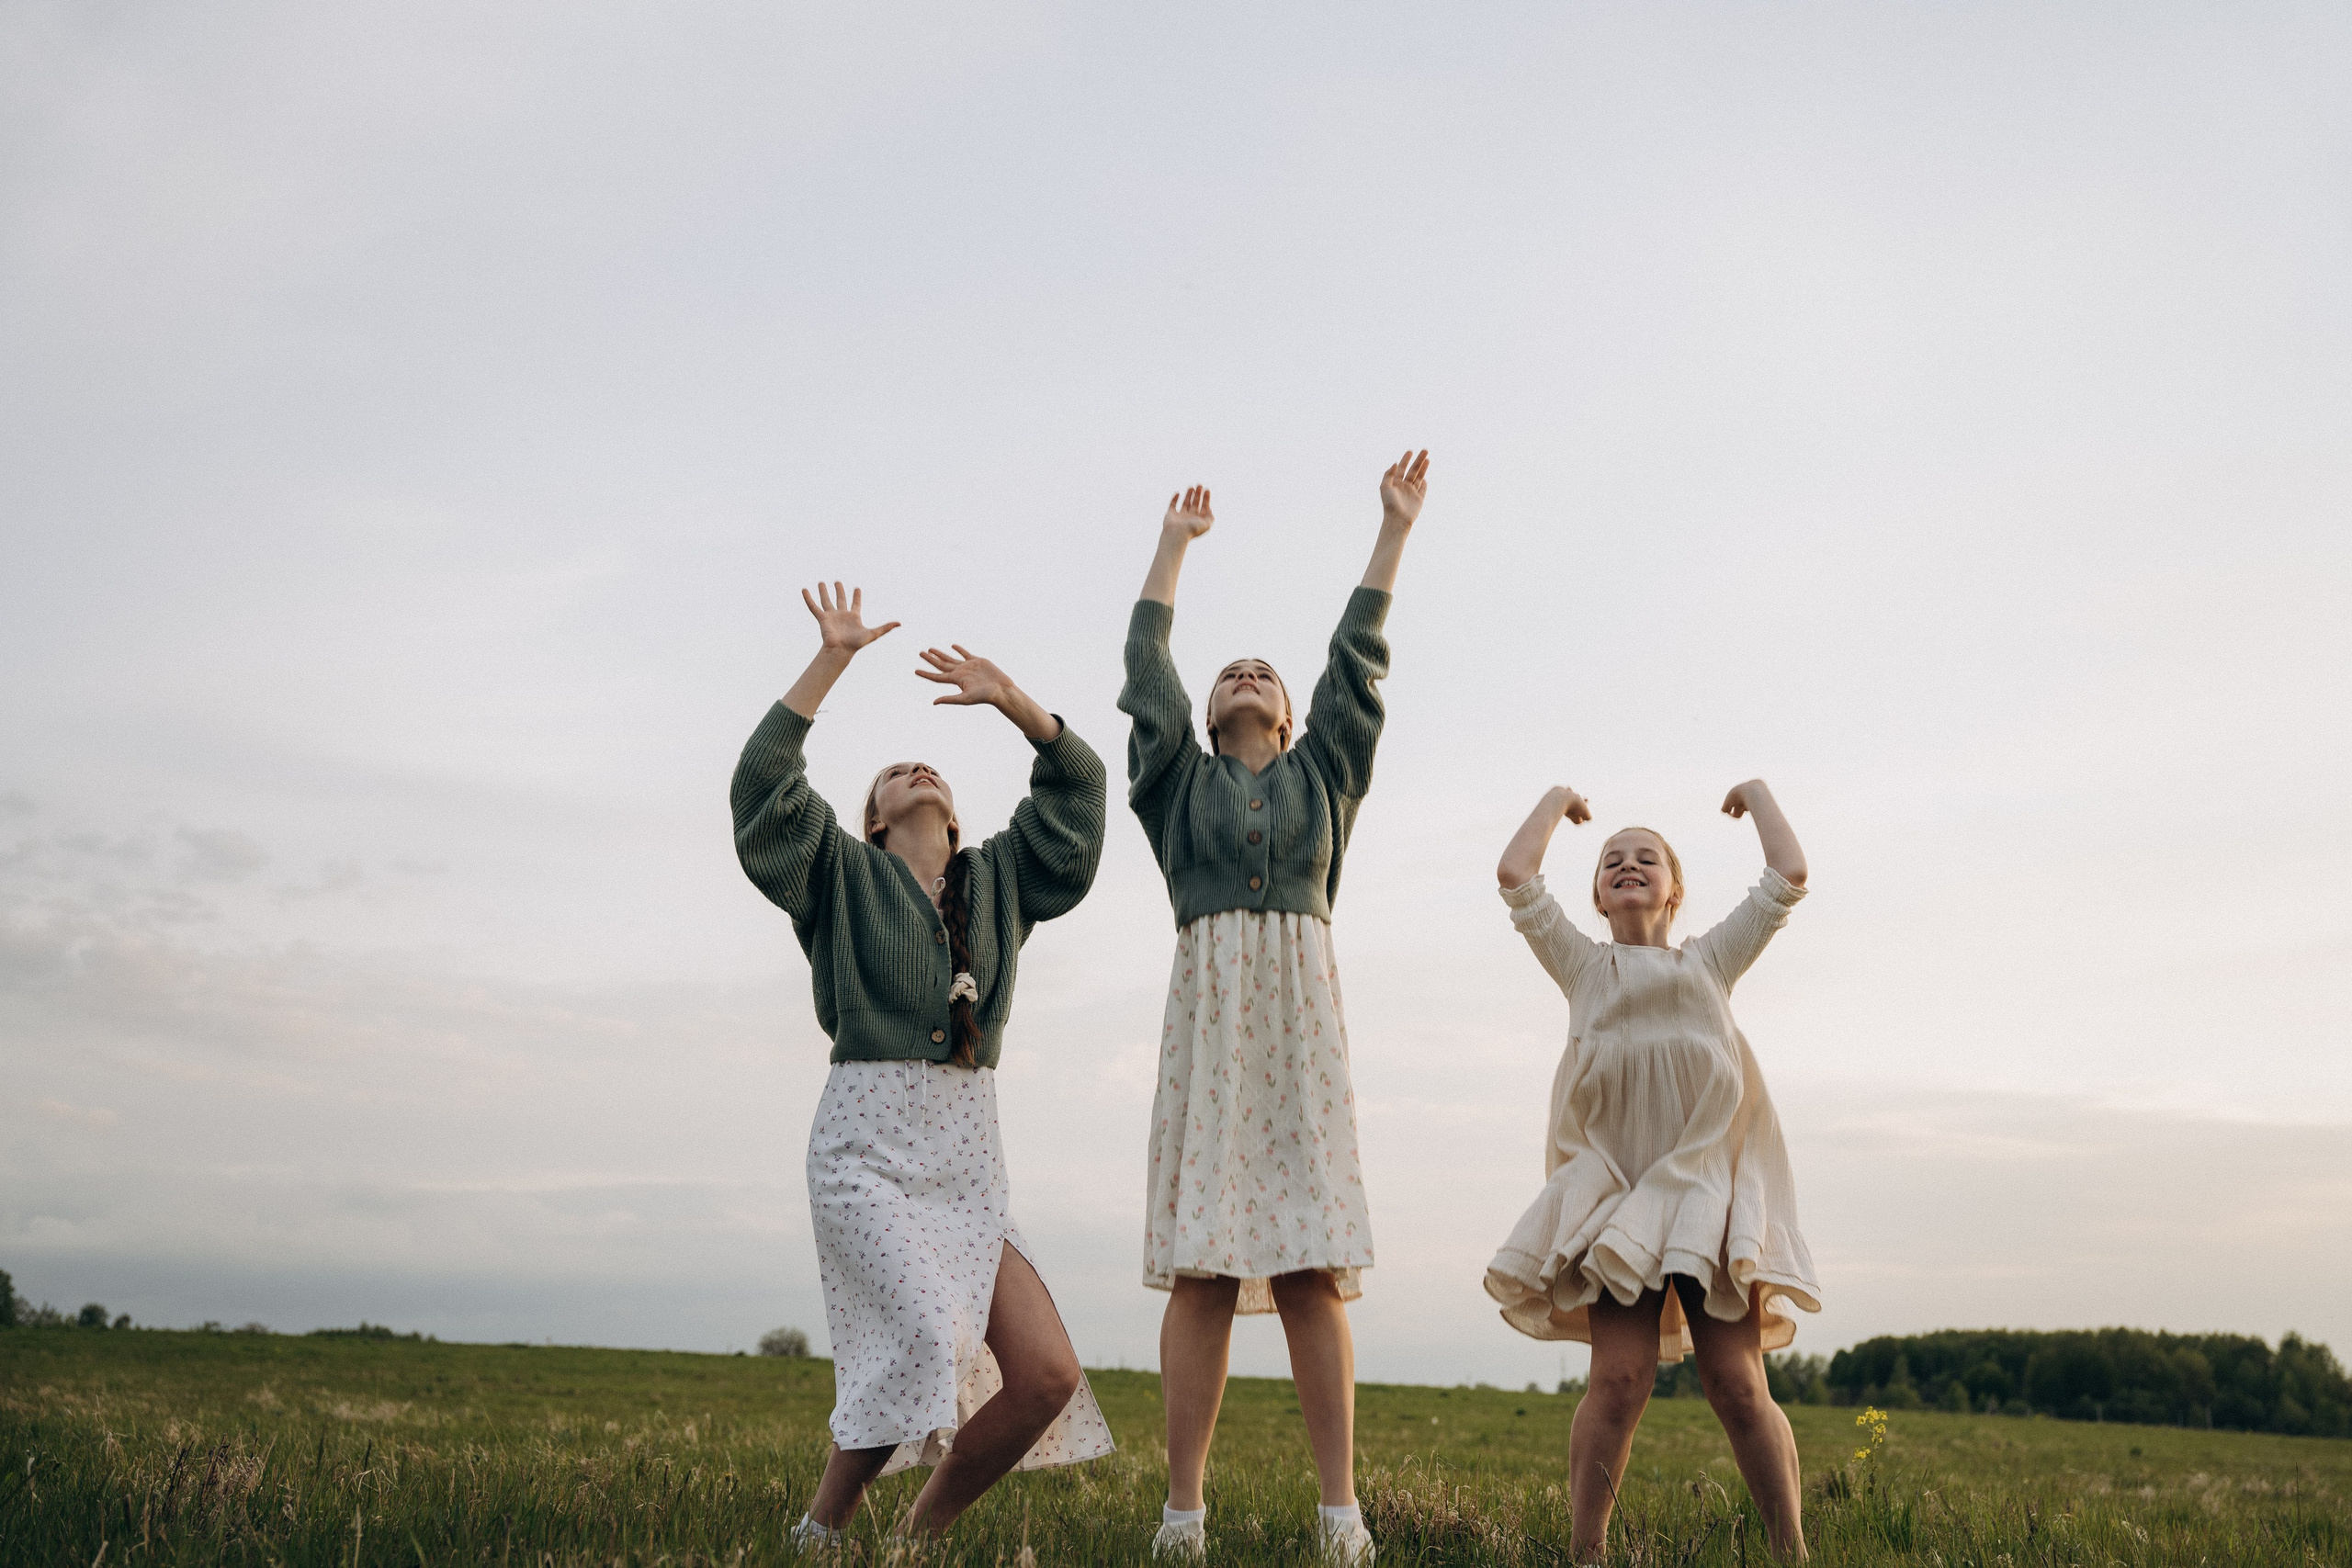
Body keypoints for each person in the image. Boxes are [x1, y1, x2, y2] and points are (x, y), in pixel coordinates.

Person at [730, 582, 1115, 1545]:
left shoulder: (1000, 879)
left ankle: (916, 1539)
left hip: (967, 1153)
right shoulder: (837, 873)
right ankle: (821, 1533)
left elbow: (1078, 796)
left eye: (928, 766)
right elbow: (763, 788)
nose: (915, 768)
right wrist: (834, 659)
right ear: (871, 821)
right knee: (925, 1336)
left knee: (1046, 1379)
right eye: (892, 773)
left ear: (951, 818)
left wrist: (1016, 703)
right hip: (866, 1145)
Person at [1120, 452, 1430, 1566]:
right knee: (1205, 1265)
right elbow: (1146, 669)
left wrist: (1391, 529)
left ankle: (1340, 1512)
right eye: (1229, 676)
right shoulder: (1174, 786)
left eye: (1264, 674)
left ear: (1293, 724)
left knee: (1305, 1264)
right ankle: (1183, 1513)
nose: (1245, 676)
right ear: (1206, 721)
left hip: (1296, 1023)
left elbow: (1357, 666)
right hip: (1210, 1019)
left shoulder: (1323, 780)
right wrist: (1173, 548)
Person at [1487, 780, 1820, 1562]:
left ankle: (1790, 1550)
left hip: (1705, 1190)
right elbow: (1514, 876)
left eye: (1647, 858)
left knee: (1737, 1382)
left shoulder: (1710, 960)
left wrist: (1758, 797)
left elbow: (1789, 874)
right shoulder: (1583, 968)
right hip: (1618, 1201)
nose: (1628, 865)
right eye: (1611, 861)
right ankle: (1587, 1550)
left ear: (1676, 890)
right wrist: (1556, 802)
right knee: (1620, 1381)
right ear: (1599, 898)